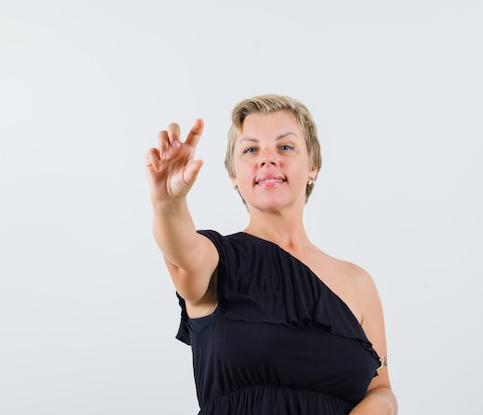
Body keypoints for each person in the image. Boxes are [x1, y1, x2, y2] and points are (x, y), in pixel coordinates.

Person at [144, 94, 397, 415]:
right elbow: (181, 255)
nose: (267, 159)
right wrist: (167, 204)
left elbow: (381, 389)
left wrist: (379, 408)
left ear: (312, 166)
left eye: (285, 147)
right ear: (234, 174)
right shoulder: (217, 259)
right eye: (250, 149)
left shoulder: (358, 283)